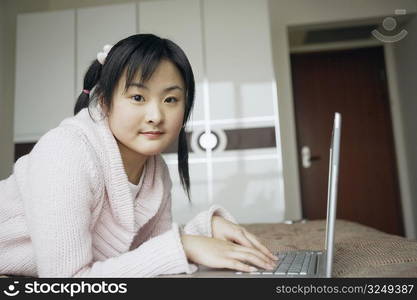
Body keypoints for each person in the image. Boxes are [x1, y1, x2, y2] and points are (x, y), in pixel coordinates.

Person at [0, 34, 277, 277]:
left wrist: (205, 230)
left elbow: (144, 257)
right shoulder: (65, 152)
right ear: (105, 101)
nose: (156, 116)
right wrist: (184, 245)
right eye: (137, 98)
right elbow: (67, 283)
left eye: (171, 100)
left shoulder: (156, 171)